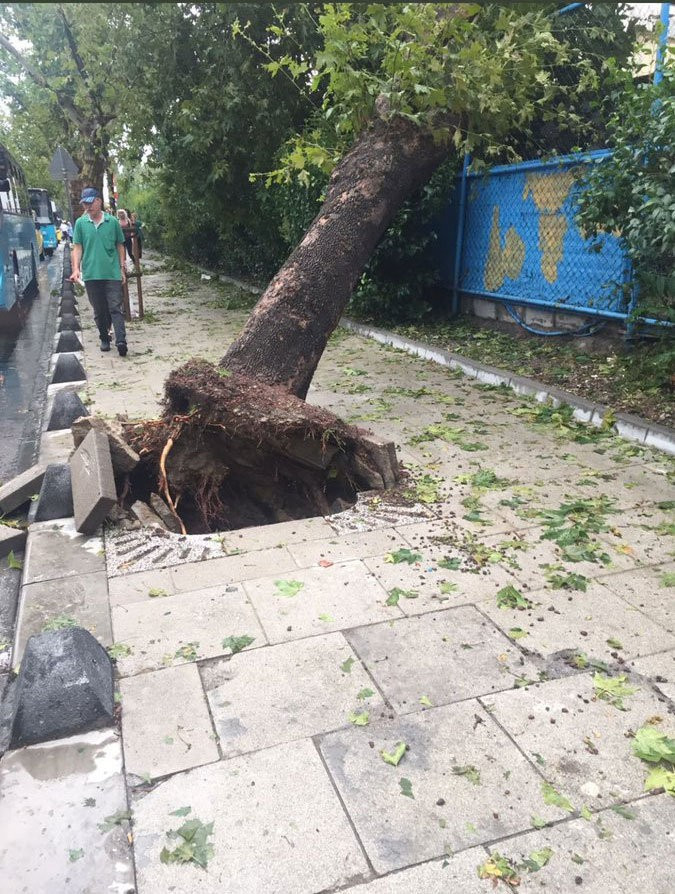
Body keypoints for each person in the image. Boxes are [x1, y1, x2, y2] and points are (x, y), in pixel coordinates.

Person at [70, 186, 129, 356]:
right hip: (91, 274)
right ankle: (104, 337)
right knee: (99, 310)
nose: (87, 207)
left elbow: (120, 245)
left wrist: (122, 267)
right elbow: (78, 247)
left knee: (115, 308)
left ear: (98, 201)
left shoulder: (112, 222)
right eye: (84, 204)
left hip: (111, 273)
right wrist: (76, 269)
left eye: (90, 203)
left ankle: (121, 340)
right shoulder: (81, 223)